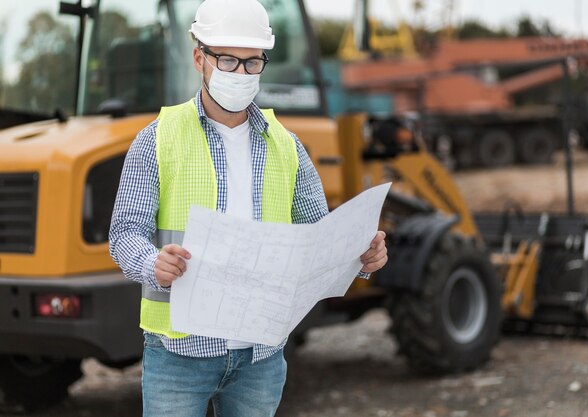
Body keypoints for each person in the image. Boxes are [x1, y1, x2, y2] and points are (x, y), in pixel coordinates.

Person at [109, 0, 388, 416]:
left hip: (260, 357)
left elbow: (321, 239)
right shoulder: (157, 139)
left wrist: (362, 255)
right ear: (200, 58)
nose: (240, 73)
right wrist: (152, 264)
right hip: (179, 352)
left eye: (252, 62)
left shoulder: (288, 147)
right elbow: (124, 233)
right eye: (228, 60)